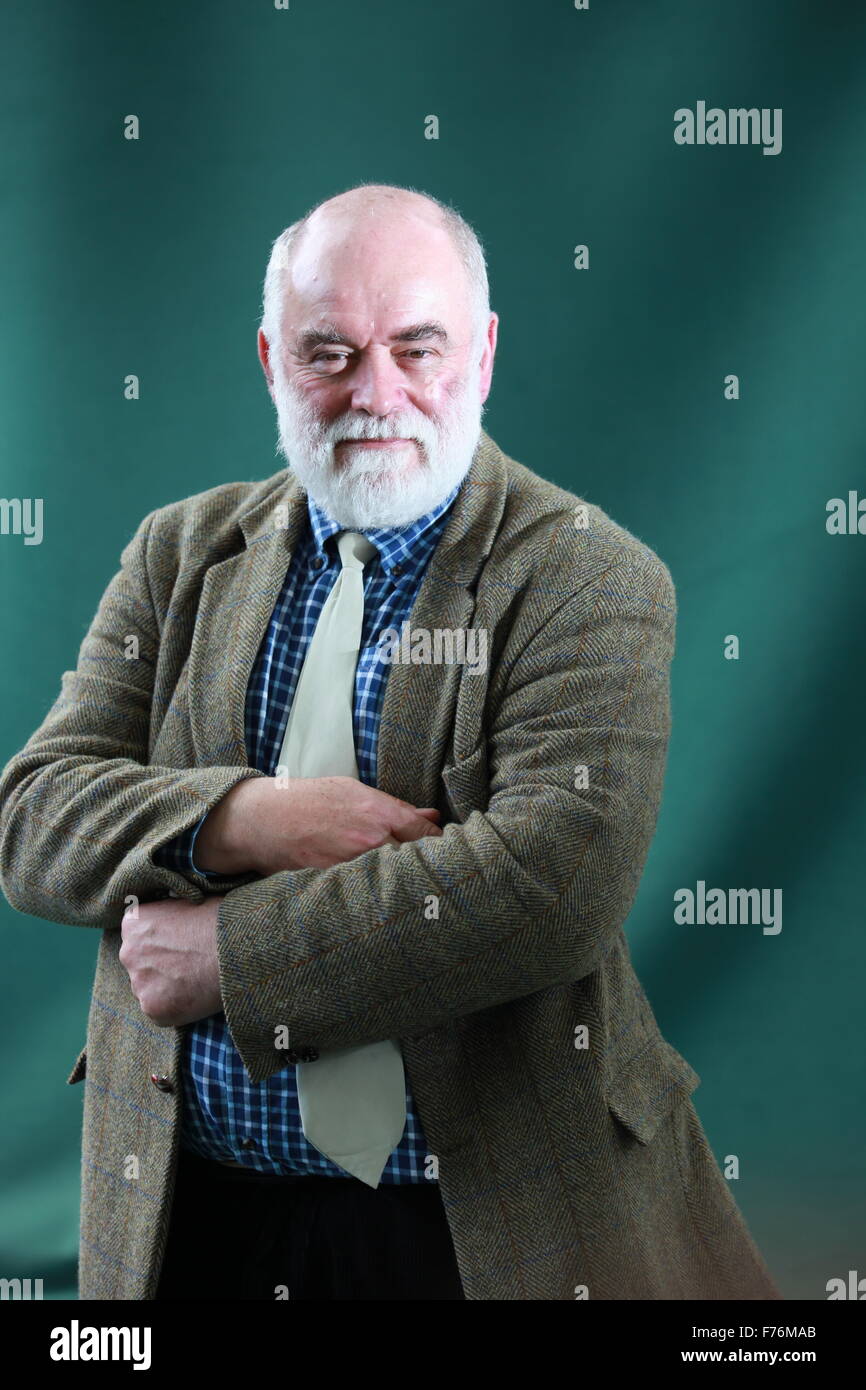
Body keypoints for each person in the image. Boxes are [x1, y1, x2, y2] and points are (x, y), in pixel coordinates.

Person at [0, 182, 781, 1301]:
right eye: (330, 353)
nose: (377, 393)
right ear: (272, 358)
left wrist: (229, 953)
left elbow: (549, 883)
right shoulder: (175, 552)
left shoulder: (586, 575)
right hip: (189, 1217)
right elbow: (32, 816)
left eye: (417, 348)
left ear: (484, 353)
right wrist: (247, 819)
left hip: (474, 1232)